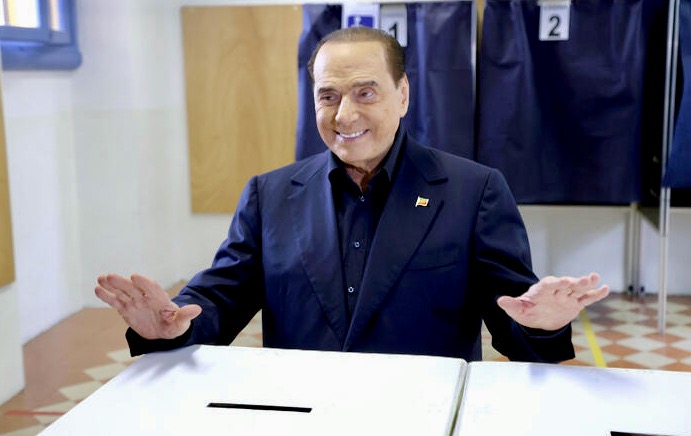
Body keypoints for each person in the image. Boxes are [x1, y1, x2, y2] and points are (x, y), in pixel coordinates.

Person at [95, 27, 609, 362]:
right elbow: (219, 300)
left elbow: (515, 320)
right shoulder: (269, 195)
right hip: (304, 415)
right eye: (328, 96)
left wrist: (543, 327)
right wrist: (169, 327)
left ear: (402, 95)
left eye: (365, 92)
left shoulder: (474, 192)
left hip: (422, 418)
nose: (345, 115)